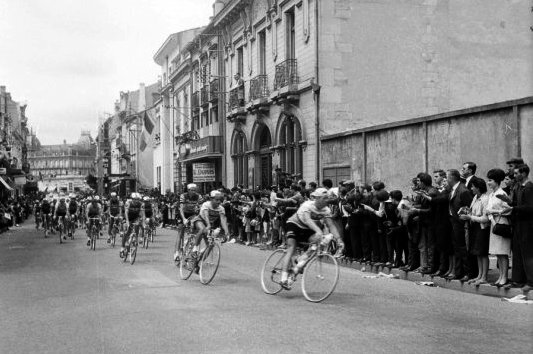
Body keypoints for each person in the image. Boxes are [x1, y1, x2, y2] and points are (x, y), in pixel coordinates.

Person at [279, 188, 342, 289]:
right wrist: (318, 231)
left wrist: (339, 240)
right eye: (324, 198)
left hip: (307, 229)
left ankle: (299, 264)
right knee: (291, 248)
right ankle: (283, 278)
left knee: (319, 243)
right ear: (317, 198)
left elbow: (331, 225)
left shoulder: (326, 210)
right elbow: (308, 220)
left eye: (327, 198)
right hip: (294, 225)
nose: (327, 200)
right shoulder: (307, 205)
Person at [501, 164, 533, 292]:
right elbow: (519, 204)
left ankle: (530, 282)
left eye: (516, 173)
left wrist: (513, 208)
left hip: (527, 225)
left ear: (524, 173)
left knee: (527, 254)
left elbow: (530, 207)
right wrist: (509, 202)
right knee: (518, 253)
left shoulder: (529, 187)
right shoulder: (520, 187)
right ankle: (518, 280)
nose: (514, 176)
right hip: (519, 224)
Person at [459, 177, 490, 286]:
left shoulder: (485, 199)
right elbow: (472, 211)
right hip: (474, 228)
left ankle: (484, 276)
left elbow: (486, 218)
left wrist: (470, 217)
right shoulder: (475, 197)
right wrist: (467, 212)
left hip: (482, 228)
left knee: (482, 253)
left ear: (478, 187)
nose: (471, 188)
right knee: (477, 252)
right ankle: (479, 275)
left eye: (473, 186)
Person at [485, 168, 512, 287]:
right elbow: (488, 210)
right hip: (494, 224)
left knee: (503, 252)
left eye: (490, 180)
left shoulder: (502, 194)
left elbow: (508, 211)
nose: (488, 182)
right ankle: (501, 276)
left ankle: (504, 277)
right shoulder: (491, 195)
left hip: (502, 224)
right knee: (497, 253)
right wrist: (491, 216)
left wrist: (494, 212)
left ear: (496, 181)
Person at [447, 169, 473, 281]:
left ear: (452, 178)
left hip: (461, 224)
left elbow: (469, 207)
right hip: (454, 223)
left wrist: (463, 217)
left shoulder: (463, 190)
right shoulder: (453, 190)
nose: (446, 180)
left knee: (463, 248)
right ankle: (458, 272)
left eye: (447, 177)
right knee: (456, 248)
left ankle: (468, 273)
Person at [190, 191, 230, 257]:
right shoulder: (206, 204)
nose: (219, 202)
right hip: (200, 220)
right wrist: (208, 225)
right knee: (202, 229)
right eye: (216, 200)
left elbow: (223, 220)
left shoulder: (221, 208)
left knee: (211, 244)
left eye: (220, 200)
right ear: (211, 199)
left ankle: (198, 262)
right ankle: (195, 248)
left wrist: (226, 232)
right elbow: (206, 215)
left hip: (209, 224)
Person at [174, 184, 202, 262]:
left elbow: (201, 207)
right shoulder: (183, 196)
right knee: (180, 232)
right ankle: (176, 253)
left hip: (192, 214)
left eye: (194, 190)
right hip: (182, 213)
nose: (193, 191)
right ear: (188, 190)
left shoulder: (198, 196)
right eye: (192, 190)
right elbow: (181, 208)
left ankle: (191, 244)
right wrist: (183, 219)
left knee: (195, 229)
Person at [121, 193, 144, 258]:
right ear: (132, 199)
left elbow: (142, 214)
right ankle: (122, 247)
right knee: (127, 233)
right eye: (134, 199)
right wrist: (127, 222)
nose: (136, 201)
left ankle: (134, 243)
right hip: (128, 217)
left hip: (135, 218)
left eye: (137, 199)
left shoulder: (140, 204)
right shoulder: (128, 203)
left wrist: (143, 222)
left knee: (136, 229)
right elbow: (126, 212)